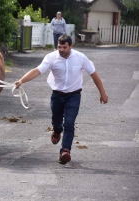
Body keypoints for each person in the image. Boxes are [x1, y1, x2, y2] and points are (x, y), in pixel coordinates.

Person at [14, 34, 108, 164]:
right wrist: (21, 81)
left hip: (74, 96)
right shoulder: (51, 58)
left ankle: (65, 151)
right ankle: (57, 131)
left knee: (69, 123)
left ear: (71, 46)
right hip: (57, 95)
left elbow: (94, 74)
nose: (61, 49)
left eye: (64, 47)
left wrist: (102, 93)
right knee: (57, 122)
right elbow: (37, 71)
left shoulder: (80, 58)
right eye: (59, 47)